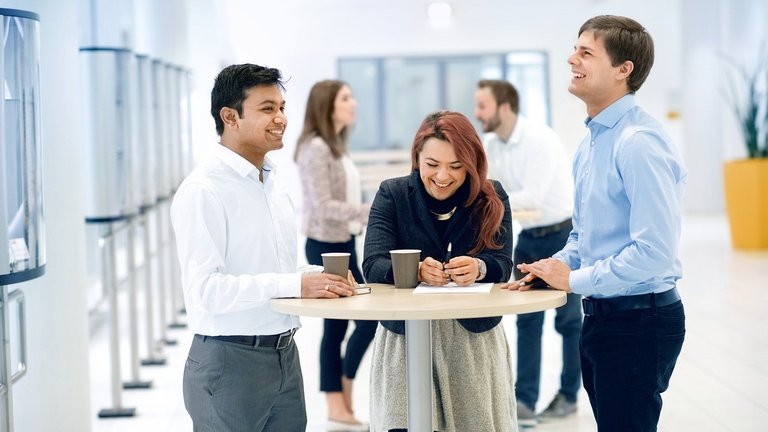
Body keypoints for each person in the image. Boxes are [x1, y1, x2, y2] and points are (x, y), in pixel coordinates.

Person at [509, 15, 687, 432]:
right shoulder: (592, 142)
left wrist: (573, 281)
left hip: (639, 320)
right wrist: (551, 269)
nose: (572, 58)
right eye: (575, 48)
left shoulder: (638, 143)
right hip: (604, 316)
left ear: (624, 70)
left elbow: (653, 253)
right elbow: (583, 235)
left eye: (586, 52)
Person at [171, 63, 357, 432]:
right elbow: (206, 291)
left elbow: (274, 272)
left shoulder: (271, 184)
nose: (281, 118)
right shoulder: (203, 190)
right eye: (267, 108)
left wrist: (317, 277)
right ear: (230, 117)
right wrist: (294, 285)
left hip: (285, 357)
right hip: (229, 363)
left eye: (282, 107)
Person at [363, 110, 517, 432]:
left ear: (472, 163)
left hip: (471, 341)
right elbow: (373, 264)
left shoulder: (491, 196)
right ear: (417, 157)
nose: (443, 176)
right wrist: (415, 270)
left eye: (456, 167)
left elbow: (502, 264)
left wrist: (479, 266)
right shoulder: (392, 194)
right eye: (432, 165)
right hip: (405, 338)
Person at [474, 79, 582, 426]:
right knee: (527, 322)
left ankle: (568, 396)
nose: (478, 114)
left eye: (483, 106)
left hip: (563, 237)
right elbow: (489, 191)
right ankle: (524, 402)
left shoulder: (539, 140)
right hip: (530, 238)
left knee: (568, 322)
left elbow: (528, 197)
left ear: (504, 108)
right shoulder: (492, 143)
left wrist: (492, 200)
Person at [294, 80, 376, 431]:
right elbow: (323, 206)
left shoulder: (334, 146)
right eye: (346, 97)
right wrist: (367, 211)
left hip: (343, 242)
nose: (353, 103)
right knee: (340, 326)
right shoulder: (315, 148)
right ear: (327, 105)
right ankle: (336, 399)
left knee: (355, 322)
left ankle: (341, 393)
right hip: (326, 245)